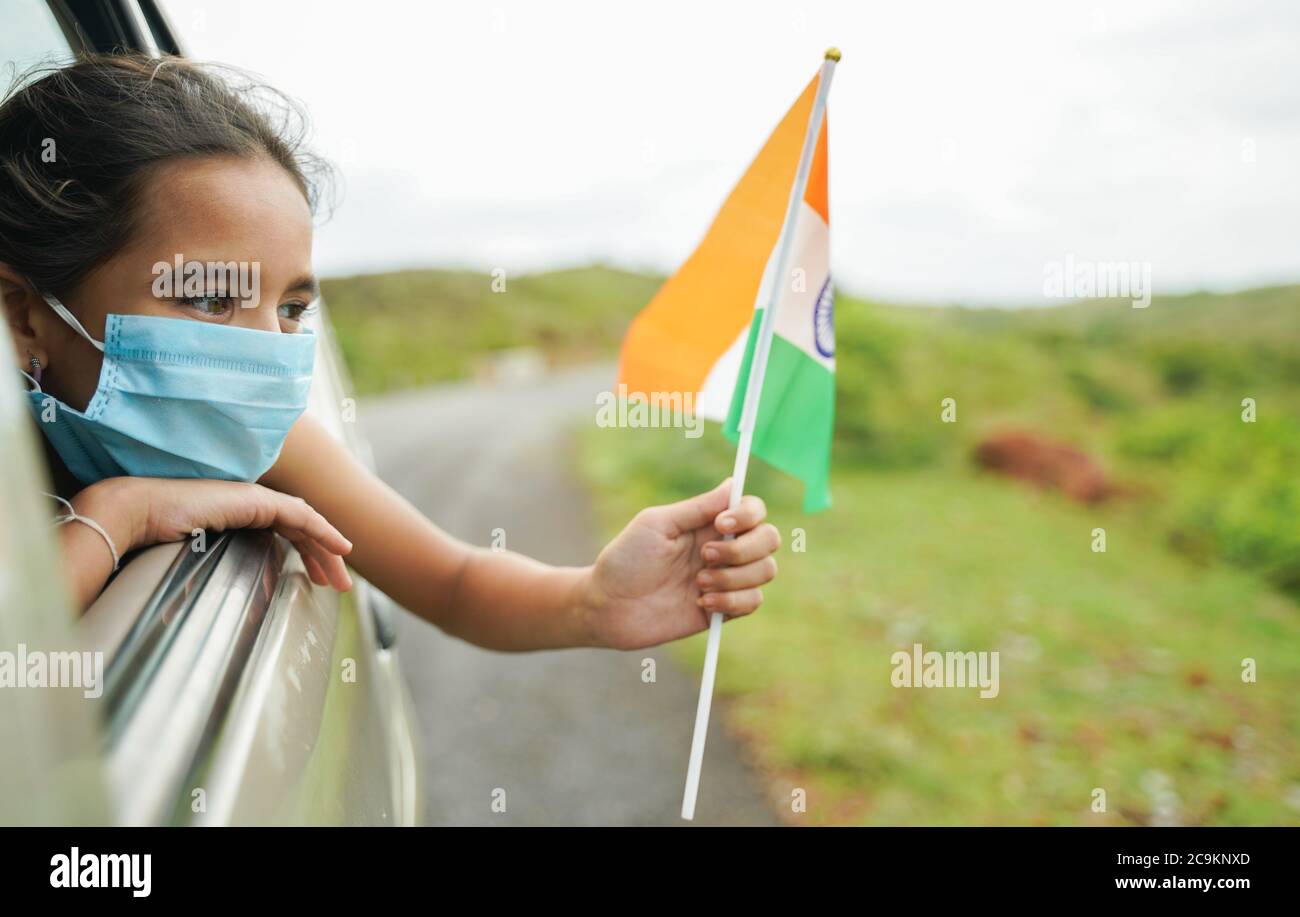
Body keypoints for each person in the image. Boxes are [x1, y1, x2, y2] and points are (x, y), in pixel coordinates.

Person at [0, 55, 779, 651]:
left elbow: (453, 577)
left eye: (293, 307)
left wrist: (593, 599)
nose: (269, 351)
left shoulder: (252, 437)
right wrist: (117, 515)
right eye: (207, 297)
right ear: (25, 314)